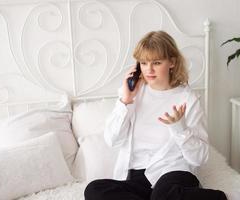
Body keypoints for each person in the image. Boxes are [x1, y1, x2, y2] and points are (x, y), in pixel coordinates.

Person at [84, 30, 227, 200]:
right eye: (143, 63)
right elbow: (112, 140)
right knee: (94, 189)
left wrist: (179, 128)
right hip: (138, 178)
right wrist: (126, 102)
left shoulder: (188, 98)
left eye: (156, 62)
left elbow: (200, 158)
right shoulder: (131, 94)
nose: (149, 70)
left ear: (172, 62)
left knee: (163, 195)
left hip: (173, 173)